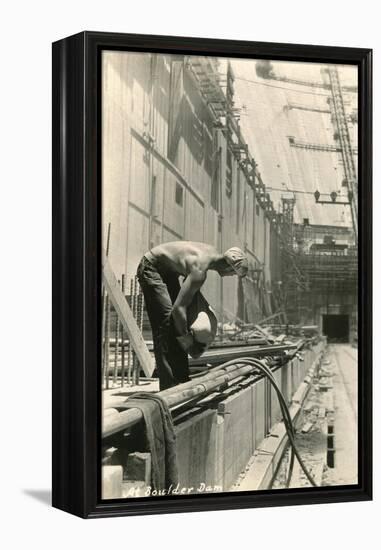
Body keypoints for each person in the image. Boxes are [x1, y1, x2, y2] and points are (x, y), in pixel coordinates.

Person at [137, 241, 248, 390]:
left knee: (177, 323)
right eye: (233, 273)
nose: (230, 276)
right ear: (228, 265)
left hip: (168, 271)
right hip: (152, 267)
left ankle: (182, 380)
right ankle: (168, 388)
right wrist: (187, 340)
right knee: (167, 324)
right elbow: (178, 309)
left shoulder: (212, 253)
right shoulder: (200, 271)